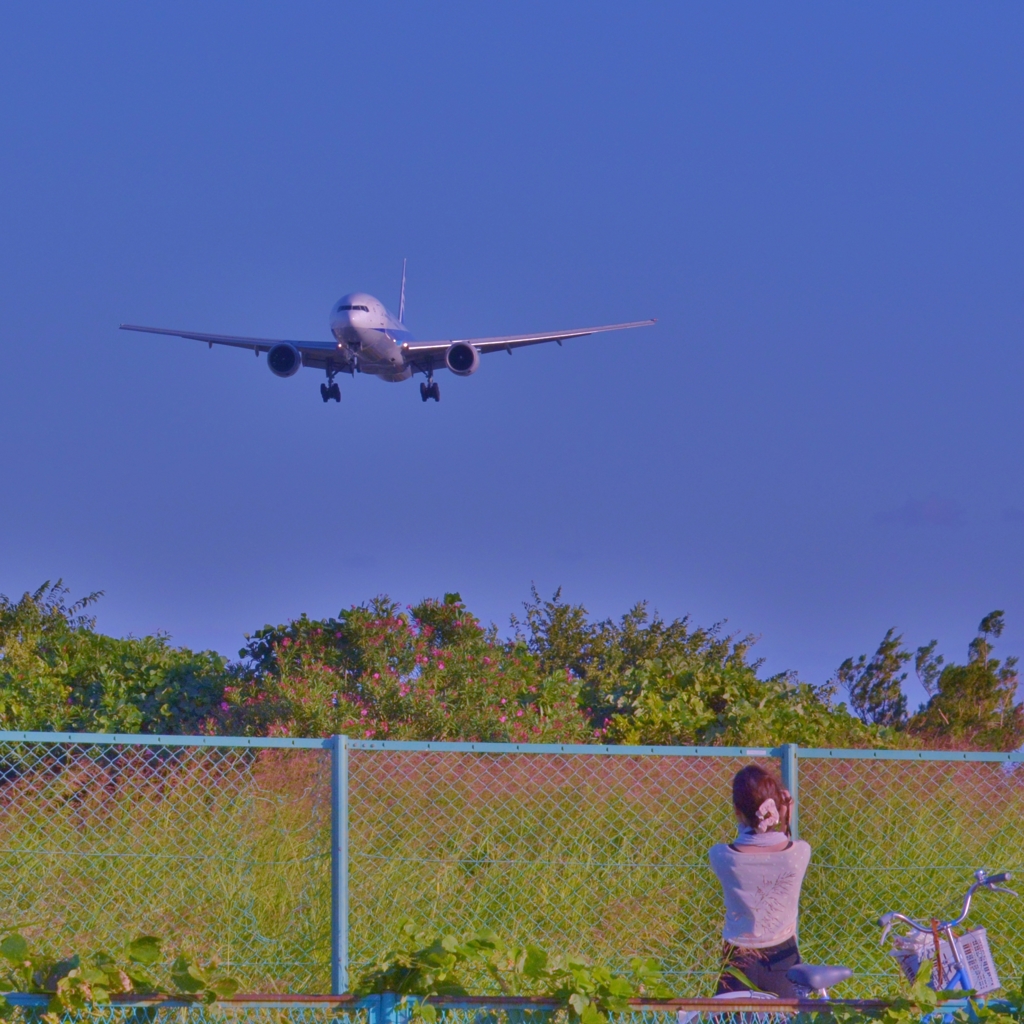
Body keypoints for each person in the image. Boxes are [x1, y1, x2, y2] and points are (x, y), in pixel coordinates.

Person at [708, 764, 811, 998]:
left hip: (737, 961)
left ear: (737, 810)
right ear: (780, 807)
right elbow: (783, 843)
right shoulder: (800, 853)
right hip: (783, 959)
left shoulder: (722, 856)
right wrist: (785, 820)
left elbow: (748, 840)